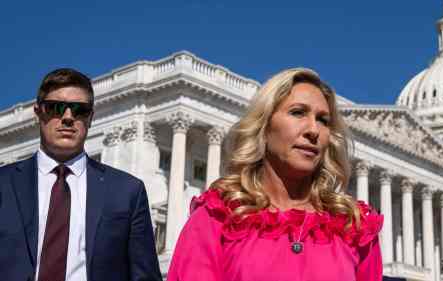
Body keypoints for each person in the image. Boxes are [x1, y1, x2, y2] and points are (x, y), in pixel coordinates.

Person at [167, 68, 383, 281]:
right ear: (264, 126)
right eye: (298, 112)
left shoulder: (354, 227)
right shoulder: (217, 218)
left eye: (323, 120)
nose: (313, 130)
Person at [0, 68, 162, 281]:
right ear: (38, 113)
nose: (68, 118)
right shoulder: (4, 183)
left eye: (80, 110)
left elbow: (145, 275)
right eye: (55, 108)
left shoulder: (127, 191)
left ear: (91, 118)